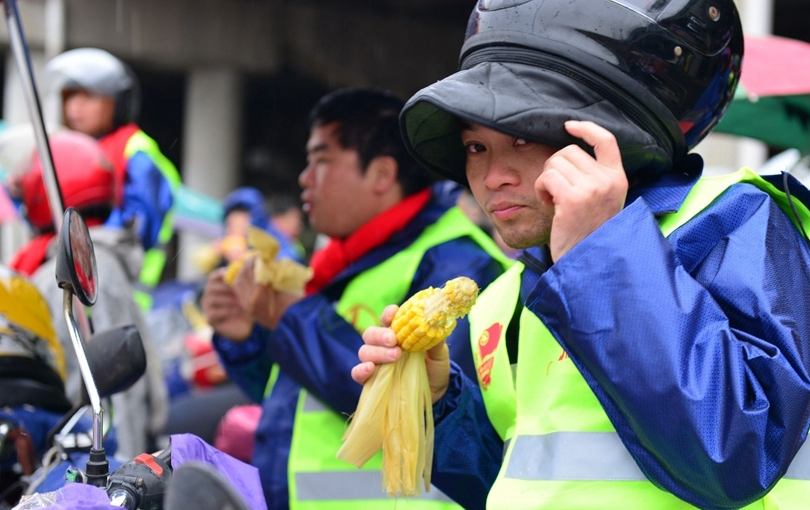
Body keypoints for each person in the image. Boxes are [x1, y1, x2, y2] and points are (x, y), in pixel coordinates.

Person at [350, 1, 810, 510]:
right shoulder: (503, 296)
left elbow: (737, 457)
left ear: (606, 139)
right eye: (476, 147)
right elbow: (518, 481)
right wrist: (441, 403)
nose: (492, 176)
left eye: (522, 136)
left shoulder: (735, 220)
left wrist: (601, 253)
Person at [201, 87, 511, 510]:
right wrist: (247, 341)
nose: (305, 178)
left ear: (382, 174)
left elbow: (422, 414)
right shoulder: (342, 264)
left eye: (322, 160)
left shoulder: (457, 266)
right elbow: (297, 403)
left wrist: (292, 318)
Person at [11, 131, 168, 459]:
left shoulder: (77, 269)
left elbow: (114, 392)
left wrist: (117, 467)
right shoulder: (98, 259)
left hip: (87, 460)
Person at [44, 47, 182, 311]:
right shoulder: (68, 150)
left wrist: (81, 245)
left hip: (121, 293)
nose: (76, 106)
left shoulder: (136, 153)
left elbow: (134, 230)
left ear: (116, 103)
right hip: (71, 288)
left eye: (88, 96)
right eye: (70, 97)